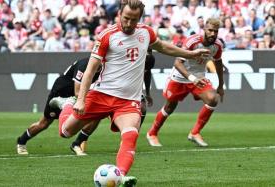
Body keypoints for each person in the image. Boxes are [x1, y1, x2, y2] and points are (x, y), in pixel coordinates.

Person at [52, 0, 209, 186]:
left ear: (139, 18)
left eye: (134, 20)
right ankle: (66, 104)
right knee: (65, 132)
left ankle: (121, 176)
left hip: (128, 101)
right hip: (101, 94)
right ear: (119, 14)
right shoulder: (106, 36)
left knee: (130, 134)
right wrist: (80, 100)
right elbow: (90, 70)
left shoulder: (146, 32)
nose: (128, 23)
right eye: (126, 18)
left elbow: (164, 47)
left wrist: (191, 54)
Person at [146, 17, 224, 148]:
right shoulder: (192, 41)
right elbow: (177, 63)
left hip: (199, 77)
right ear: (204, 29)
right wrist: (192, 78)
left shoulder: (217, 46)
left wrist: (221, 86)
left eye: (216, 31)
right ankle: (152, 133)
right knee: (170, 107)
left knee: (213, 99)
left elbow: (219, 63)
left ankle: (195, 133)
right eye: (210, 30)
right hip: (180, 78)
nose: (213, 34)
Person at [67, 48, 155, 156]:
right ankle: (77, 142)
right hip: (109, 86)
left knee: (142, 107)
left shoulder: (148, 57)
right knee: (95, 118)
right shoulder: (124, 52)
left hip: (128, 89)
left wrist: (148, 93)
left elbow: (147, 73)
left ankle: (129, 142)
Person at [16, 57, 102, 155]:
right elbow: (77, 92)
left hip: (76, 96)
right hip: (61, 93)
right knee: (44, 123)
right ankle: (21, 141)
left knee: (97, 115)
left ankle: (77, 144)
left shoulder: (105, 66)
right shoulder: (84, 65)